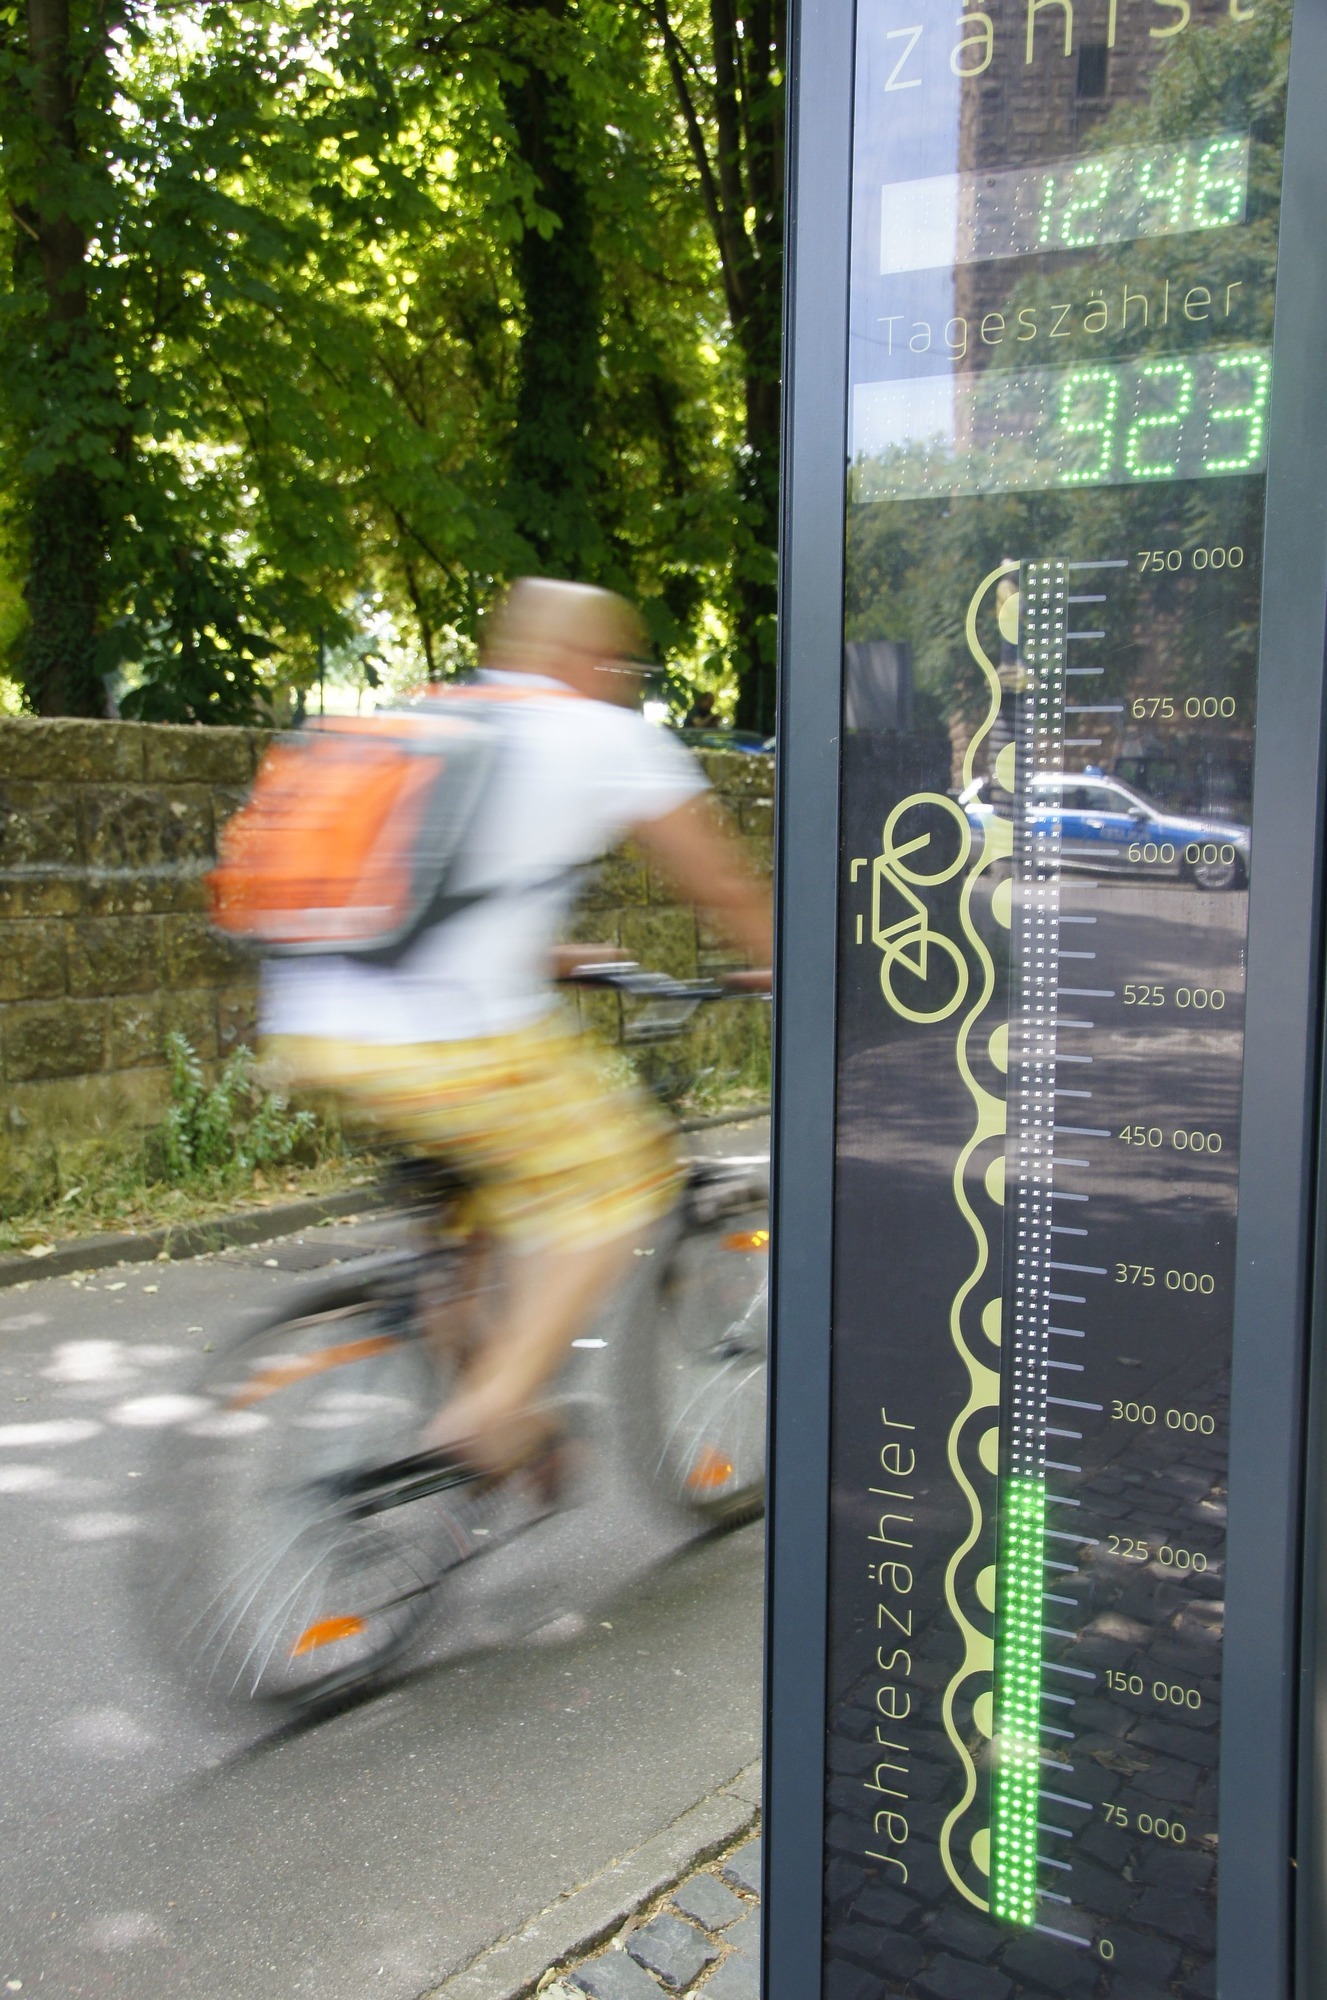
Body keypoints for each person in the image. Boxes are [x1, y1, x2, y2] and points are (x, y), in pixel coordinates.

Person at [260, 578, 771, 1480]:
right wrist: (794, 969)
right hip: (442, 1040)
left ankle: (474, 1370)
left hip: (313, 1022)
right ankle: (490, 1411)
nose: (620, 681)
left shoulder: (434, 720)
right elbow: (722, 888)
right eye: (617, 663)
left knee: (495, 1195)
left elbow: (422, 896)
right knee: (621, 1173)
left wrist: (558, 954)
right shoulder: (606, 737)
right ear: (584, 659)